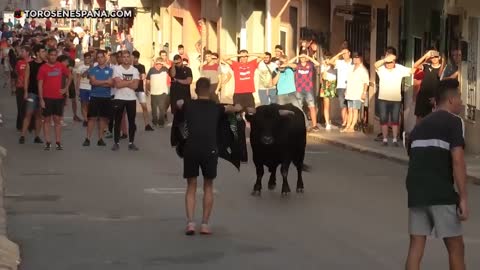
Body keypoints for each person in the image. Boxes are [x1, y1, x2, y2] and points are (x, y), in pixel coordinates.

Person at [405, 79, 468, 270]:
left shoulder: (420, 126)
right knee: (456, 246)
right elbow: (458, 160)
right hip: (440, 192)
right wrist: (463, 197)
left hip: (416, 191)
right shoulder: (454, 122)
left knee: (416, 245)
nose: (461, 102)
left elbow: (413, 155)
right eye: (459, 98)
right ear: (450, 100)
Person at [176, 78, 242, 235]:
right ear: (210, 92)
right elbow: (234, 109)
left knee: (191, 185)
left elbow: (179, 104)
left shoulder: (188, 105)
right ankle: (205, 224)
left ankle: (191, 223)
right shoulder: (217, 108)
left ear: (196, 91)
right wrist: (239, 106)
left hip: (191, 149)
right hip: (210, 149)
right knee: (208, 185)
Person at [374, 47, 413, 146]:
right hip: (383, 98)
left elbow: (412, 70)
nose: (389, 64)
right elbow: (375, 65)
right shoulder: (382, 68)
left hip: (396, 99)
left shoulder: (399, 68)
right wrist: (384, 60)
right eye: (387, 62)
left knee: (395, 120)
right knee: (384, 119)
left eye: (391, 62)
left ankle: (395, 139)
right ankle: (385, 139)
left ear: (394, 61)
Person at [38, 49, 72, 150]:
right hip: (47, 97)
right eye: (51, 55)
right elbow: (40, 84)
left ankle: (58, 142)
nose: (53, 57)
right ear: (48, 56)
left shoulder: (60, 66)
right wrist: (41, 99)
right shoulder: (43, 68)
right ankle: (48, 142)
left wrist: (65, 88)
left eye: (54, 55)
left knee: (57, 121)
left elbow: (70, 76)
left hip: (58, 98)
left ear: (57, 56)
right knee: (47, 120)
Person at [83, 50, 114, 147]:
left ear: (105, 58)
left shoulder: (110, 70)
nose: (100, 59)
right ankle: (87, 138)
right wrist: (105, 82)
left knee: (103, 119)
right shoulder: (93, 69)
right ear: (96, 59)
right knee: (91, 118)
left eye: (102, 57)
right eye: (98, 57)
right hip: (94, 96)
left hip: (106, 97)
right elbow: (93, 82)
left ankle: (100, 139)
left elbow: (111, 84)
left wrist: (99, 82)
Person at [111, 50, 140, 151]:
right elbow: (118, 85)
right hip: (119, 98)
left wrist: (124, 82)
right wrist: (130, 81)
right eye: (124, 57)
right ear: (121, 58)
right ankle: (116, 143)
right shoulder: (117, 69)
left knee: (132, 122)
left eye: (128, 56)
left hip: (131, 99)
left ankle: (131, 143)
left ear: (130, 58)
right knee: (117, 121)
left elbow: (135, 86)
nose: (126, 58)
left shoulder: (134, 70)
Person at [19, 44, 46, 145]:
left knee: (39, 115)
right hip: (32, 93)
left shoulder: (46, 64)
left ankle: (37, 136)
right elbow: (26, 79)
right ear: (37, 53)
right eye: (43, 52)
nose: (45, 53)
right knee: (28, 113)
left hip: (42, 94)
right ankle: (22, 135)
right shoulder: (30, 64)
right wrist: (25, 92)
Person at [413, 50, 442, 123]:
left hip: (433, 97)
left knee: (432, 119)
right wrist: (425, 56)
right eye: (432, 57)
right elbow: (415, 65)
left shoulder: (442, 69)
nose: (434, 58)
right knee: (419, 118)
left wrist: (436, 97)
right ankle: (418, 134)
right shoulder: (426, 66)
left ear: (439, 57)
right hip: (422, 96)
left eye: (436, 57)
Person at [343, 52, 369, 133]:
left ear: (360, 59)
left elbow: (366, 82)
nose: (355, 59)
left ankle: (352, 126)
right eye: (354, 58)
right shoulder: (351, 68)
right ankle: (348, 125)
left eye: (357, 58)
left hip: (357, 93)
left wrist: (364, 93)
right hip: (350, 92)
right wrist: (346, 90)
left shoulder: (363, 70)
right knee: (349, 109)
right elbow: (348, 80)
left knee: (355, 110)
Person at [295, 51, 321, 131]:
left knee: (311, 106)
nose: (303, 59)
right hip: (299, 89)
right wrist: (297, 56)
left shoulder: (310, 65)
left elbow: (318, 64)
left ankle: (314, 125)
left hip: (308, 89)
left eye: (304, 57)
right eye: (301, 57)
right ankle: (299, 124)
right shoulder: (297, 65)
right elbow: (288, 63)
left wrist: (308, 57)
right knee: (298, 107)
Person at [328, 48, 353, 127]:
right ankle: (344, 122)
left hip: (351, 86)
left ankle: (349, 123)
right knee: (343, 106)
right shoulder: (339, 62)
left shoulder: (353, 62)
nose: (344, 55)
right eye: (343, 53)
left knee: (350, 107)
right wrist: (339, 53)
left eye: (346, 53)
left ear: (349, 53)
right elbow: (330, 62)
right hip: (341, 87)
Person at [132, 50, 154, 131]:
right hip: (131, 89)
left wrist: (135, 77)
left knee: (144, 107)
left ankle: (147, 125)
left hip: (140, 89)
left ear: (136, 58)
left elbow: (143, 76)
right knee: (131, 108)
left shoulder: (141, 66)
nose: (131, 59)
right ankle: (132, 124)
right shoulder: (130, 66)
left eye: (133, 57)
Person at [147, 57, 170, 127]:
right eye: (157, 64)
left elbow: (171, 68)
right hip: (153, 92)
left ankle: (161, 122)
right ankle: (154, 121)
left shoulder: (165, 69)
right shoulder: (151, 70)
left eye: (160, 64)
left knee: (162, 108)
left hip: (163, 92)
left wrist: (164, 63)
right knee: (154, 109)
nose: (159, 65)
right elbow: (148, 80)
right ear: (155, 64)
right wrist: (147, 89)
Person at [14, 45, 31, 131]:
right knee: (20, 106)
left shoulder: (32, 62)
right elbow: (16, 71)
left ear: (28, 53)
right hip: (20, 87)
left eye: (23, 51)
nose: (21, 53)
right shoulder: (19, 62)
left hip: (30, 88)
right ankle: (20, 125)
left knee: (29, 107)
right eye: (21, 51)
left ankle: (30, 125)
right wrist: (19, 80)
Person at [74, 52, 93, 127]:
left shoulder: (94, 67)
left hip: (91, 88)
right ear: (84, 59)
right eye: (86, 58)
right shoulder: (80, 67)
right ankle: (85, 119)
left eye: (89, 58)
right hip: (83, 87)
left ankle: (89, 117)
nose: (87, 60)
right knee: (83, 104)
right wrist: (77, 89)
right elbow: (80, 77)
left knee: (89, 105)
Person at [319, 53, 337, 130]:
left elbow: (334, 64)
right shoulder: (323, 66)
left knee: (334, 104)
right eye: (326, 58)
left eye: (329, 58)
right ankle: (327, 122)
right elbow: (323, 76)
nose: (327, 60)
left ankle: (332, 119)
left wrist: (330, 62)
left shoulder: (335, 65)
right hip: (326, 83)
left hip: (333, 83)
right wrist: (325, 68)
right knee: (326, 104)